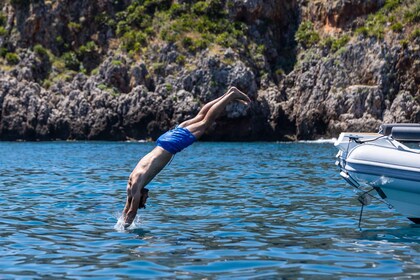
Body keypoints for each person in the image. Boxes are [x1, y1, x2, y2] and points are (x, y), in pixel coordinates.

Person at [122, 86, 251, 228]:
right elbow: (127, 207)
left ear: (139, 197)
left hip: (171, 145)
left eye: (144, 200)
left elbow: (131, 211)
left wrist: (125, 229)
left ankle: (231, 95)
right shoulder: (131, 185)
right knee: (199, 117)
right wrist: (124, 216)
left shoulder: (136, 186)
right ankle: (227, 94)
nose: (147, 198)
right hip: (163, 140)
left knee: (205, 122)